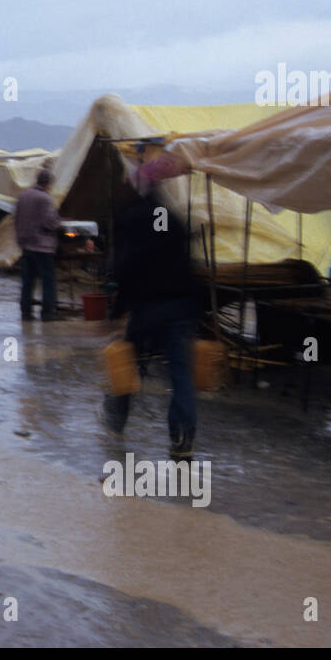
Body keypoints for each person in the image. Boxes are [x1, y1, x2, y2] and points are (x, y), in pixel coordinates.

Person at [102, 163, 201, 460]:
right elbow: (188, 263)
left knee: (127, 364)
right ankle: (182, 439)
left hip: (146, 307)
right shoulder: (172, 218)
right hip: (180, 306)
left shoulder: (129, 218)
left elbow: (125, 267)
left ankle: (116, 422)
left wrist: (115, 312)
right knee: (181, 375)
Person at [14, 168, 61, 320]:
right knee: (48, 280)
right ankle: (47, 313)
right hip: (42, 246)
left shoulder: (23, 195)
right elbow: (50, 222)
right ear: (48, 183)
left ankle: (26, 312)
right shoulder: (45, 199)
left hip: (26, 244)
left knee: (28, 281)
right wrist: (58, 223)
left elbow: (16, 218)